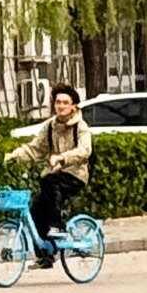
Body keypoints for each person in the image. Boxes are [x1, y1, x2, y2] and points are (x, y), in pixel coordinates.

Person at [9, 87, 95, 238]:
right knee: (35, 210)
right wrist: (13, 156)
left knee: (50, 182)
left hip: (76, 175)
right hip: (54, 174)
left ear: (73, 106)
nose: (61, 106)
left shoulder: (81, 127)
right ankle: (45, 255)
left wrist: (62, 157)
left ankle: (57, 226)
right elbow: (35, 148)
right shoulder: (50, 126)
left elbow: (84, 150)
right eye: (58, 102)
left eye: (65, 102)